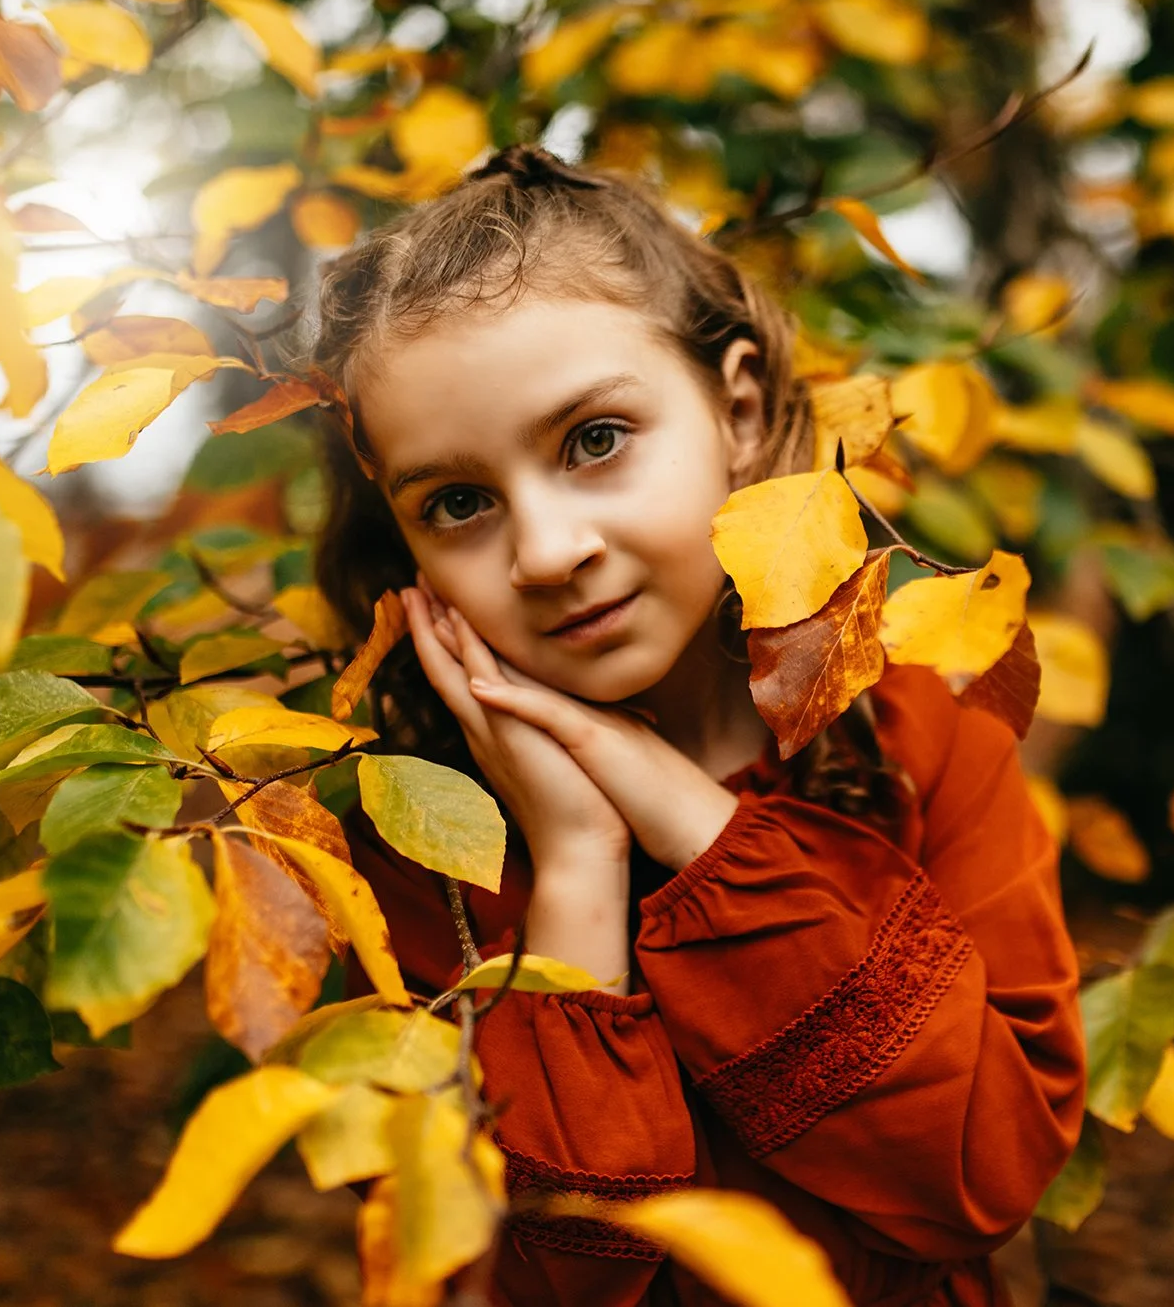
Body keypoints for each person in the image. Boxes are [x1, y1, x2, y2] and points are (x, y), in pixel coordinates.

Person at [303, 141, 1085, 1306]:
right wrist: (573, 858)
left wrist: (687, 819)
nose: (547, 551)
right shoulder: (405, 847)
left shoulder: (925, 730)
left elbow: (983, 1170)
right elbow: (516, 1280)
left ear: (736, 407)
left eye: (594, 439)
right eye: (457, 502)